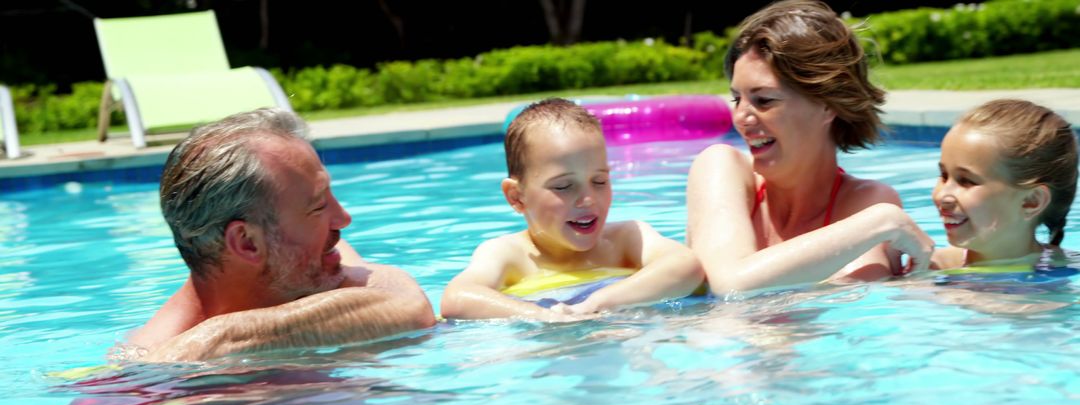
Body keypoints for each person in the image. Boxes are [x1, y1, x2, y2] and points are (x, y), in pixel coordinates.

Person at [123, 108, 436, 362]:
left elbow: (406, 302)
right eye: (318, 207)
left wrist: (228, 334)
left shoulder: (308, 263)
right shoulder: (164, 365)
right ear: (247, 243)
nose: (343, 220)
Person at [685, 0, 934, 295]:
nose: (740, 118)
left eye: (764, 100)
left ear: (827, 105)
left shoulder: (866, 202)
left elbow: (851, 313)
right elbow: (729, 284)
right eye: (737, 99)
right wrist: (881, 223)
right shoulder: (721, 168)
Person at [440, 98, 703, 321]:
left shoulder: (626, 239)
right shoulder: (509, 256)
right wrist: (541, 315)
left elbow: (687, 266)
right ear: (517, 197)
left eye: (599, 181)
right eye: (564, 186)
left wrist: (597, 302)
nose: (588, 199)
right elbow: (457, 299)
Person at [930, 99, 1077, 269]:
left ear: (1031, 201)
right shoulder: (928, 268)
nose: (942, 196)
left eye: (966, 181)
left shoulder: (1071, 270)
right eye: (944, 175)